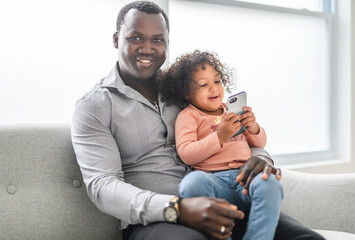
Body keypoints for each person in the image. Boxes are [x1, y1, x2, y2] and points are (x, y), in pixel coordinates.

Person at [71, 1, 324, 240]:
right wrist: (177, 208)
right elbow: (102, 186)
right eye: (135, 37)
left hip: (225, 197)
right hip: (159, 220)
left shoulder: (186, 88)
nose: (147, 47)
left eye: (157, 40)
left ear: (166, 44)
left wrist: (261, 158)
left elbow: (231, 129)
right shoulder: (94, 106)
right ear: (116, 40)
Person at [159, 50, 283, 240]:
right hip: (213, 183)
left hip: (244, 178)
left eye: (217, 81)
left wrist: (253, 127)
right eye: (203, 84)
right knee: (191, 183)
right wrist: (220, 136)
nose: (213, 89)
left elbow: (259, 143)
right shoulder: (189, 116)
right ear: (185, 92)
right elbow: (187, 153)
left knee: (270, 182)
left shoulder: (232, 112)